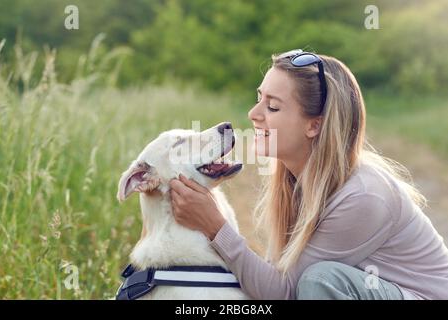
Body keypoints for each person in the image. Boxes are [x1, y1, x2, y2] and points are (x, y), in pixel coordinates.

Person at [169, 49, 448, 300]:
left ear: (314, 126)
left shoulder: (363, 196)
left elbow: (285, 293)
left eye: (273, 106)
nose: (253, 114)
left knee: (320, 280)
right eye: (259, 98)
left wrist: (215, 227)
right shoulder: (295, 181)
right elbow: (272, 281)